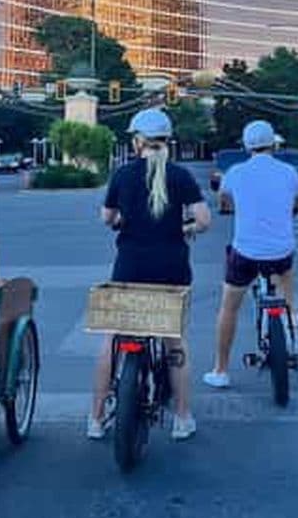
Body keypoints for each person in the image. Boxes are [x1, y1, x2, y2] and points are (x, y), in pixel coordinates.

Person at [88, 108, 211, 441]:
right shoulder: (181, 176)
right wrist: (185, 228)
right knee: (175, 342)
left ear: (137, 142)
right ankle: (182, 418)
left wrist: (121, 221)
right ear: (167, 141)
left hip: (129, 269)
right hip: (172, 270)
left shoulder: (122, 175)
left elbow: (107, 218)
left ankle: (95, 419)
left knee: (112, 339)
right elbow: (204, 220)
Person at [203, 120, 298, 389]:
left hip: (245, 253)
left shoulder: (235, 173)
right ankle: (292, 313)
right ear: (274, 145)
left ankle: (220, 370)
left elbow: (224, 200)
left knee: (229, 306)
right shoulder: (289, 172)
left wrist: (234, 206)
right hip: (281, 252)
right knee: (285, 267)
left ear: (247, 147)